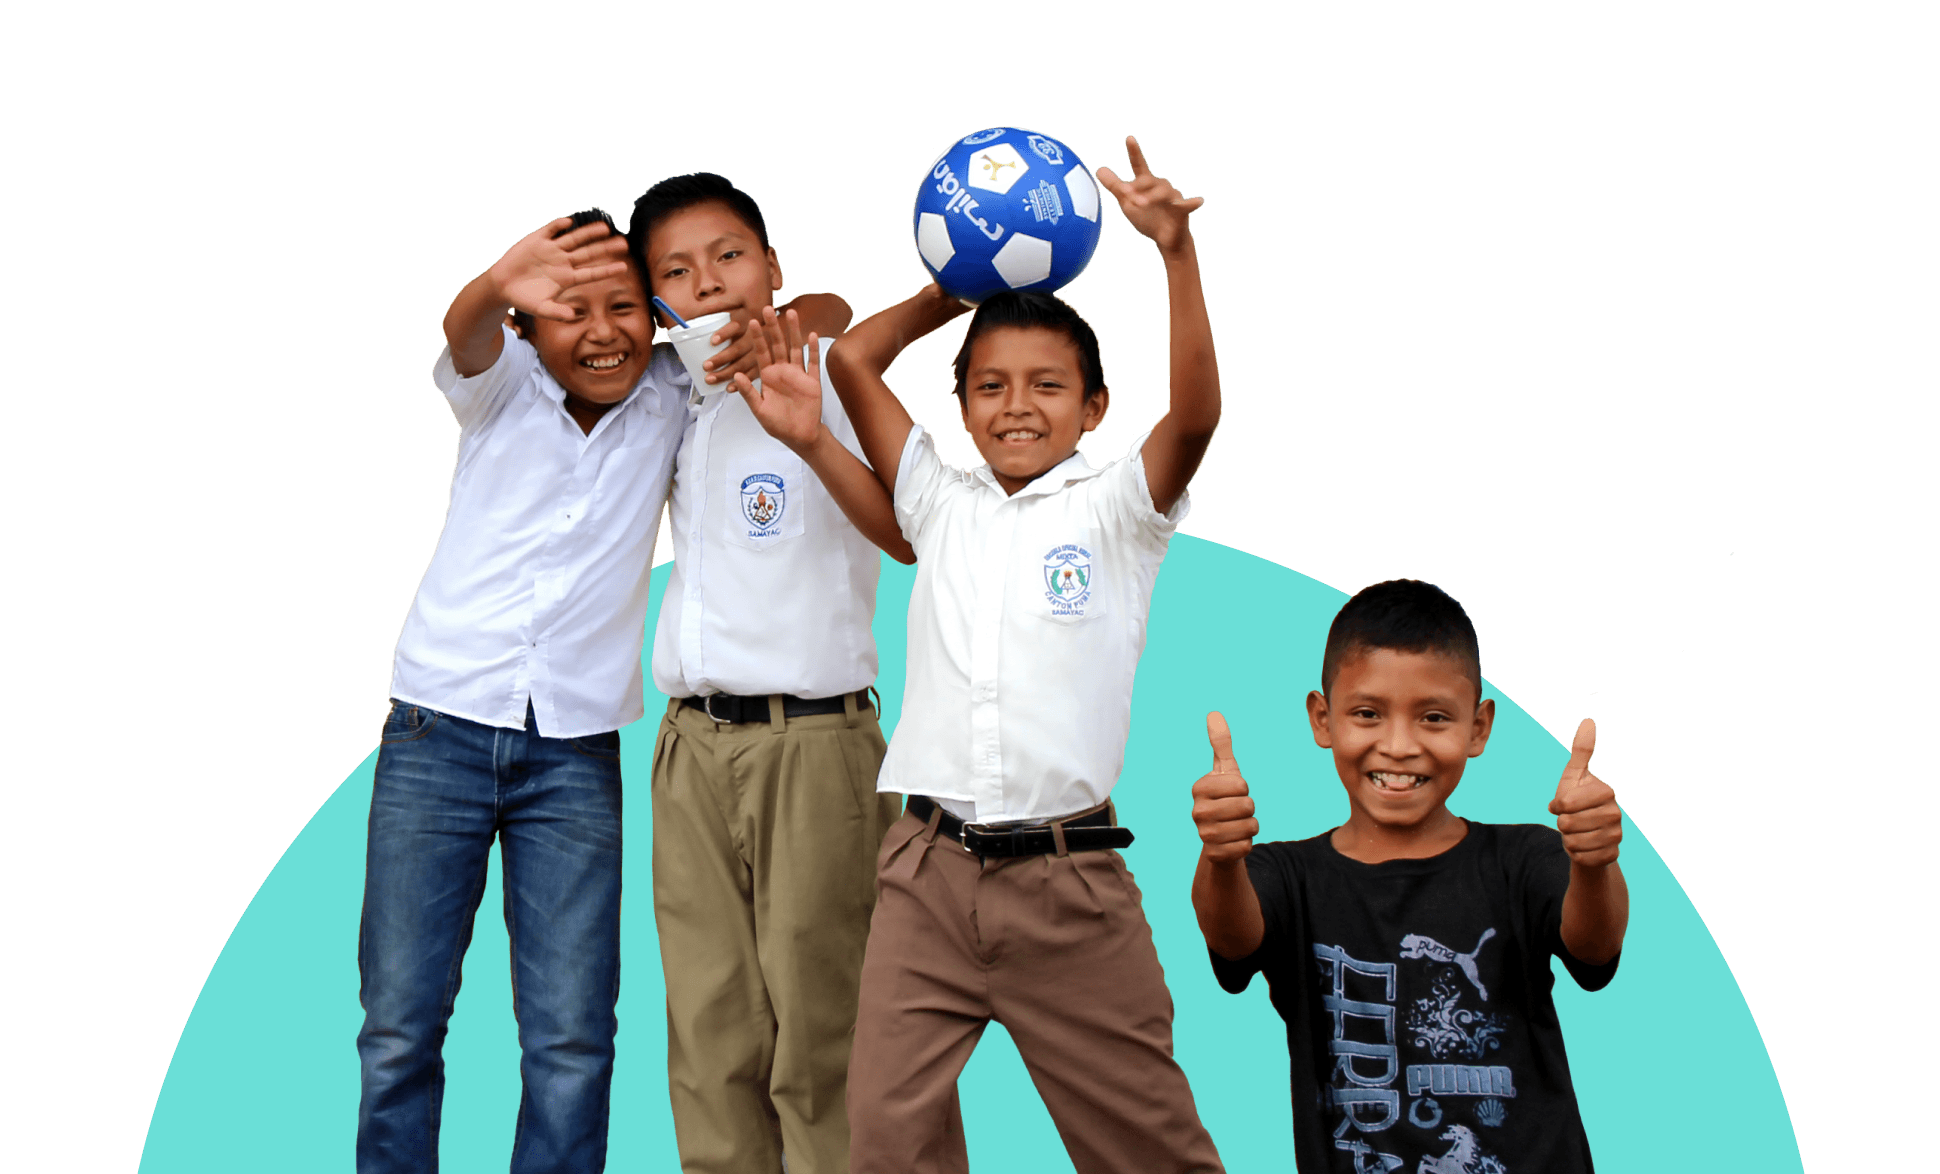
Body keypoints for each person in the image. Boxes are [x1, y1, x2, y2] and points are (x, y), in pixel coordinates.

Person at [359, 208, 847, 1174]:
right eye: (567, 310)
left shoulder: (677, 392)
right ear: (529, 330)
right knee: (398, 1030)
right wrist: (497, 283)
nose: (600, 331)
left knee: (573, 1042)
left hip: (574, 756)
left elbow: (819, 314)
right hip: (436, 732)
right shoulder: (499, 390)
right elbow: (461, 334)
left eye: (625, 307)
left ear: (661, 320)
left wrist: (757, 322)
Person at [823, 136, 1227, 1174]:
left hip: (1069, 885)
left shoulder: (1116, 513)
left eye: (1046, 385)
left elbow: (1194, 416)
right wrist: (953, 288)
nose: (1015, 405)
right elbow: (849, 362)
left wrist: (1174, 258)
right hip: (924, 875)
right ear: (958, 407)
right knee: (883, 1142)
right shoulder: (937, 500)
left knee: (1151, 1150)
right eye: (991, 386)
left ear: (1092, 409)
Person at [623, 172, 909, 1174]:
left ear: (774, 266)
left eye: (730, 254)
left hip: (813, 745)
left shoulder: (832, 372)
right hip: (690, 748)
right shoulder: (666, 399)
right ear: (657, 304)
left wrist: (809, 385)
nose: (708, 282)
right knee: (709, 1034)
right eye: (677, 271)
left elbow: (910, 530)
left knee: (824, 1030)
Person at [1189, 578, 1629, 1173]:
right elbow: (1232, 935)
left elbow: (1595, 945)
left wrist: (1595, 862)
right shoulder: (1287, 875)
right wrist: (1220, 856)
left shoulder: (1524, 858)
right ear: (1323, 718)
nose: (1398, 746)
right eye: (1368, 714)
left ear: (1478, 728)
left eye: (1434, 718)